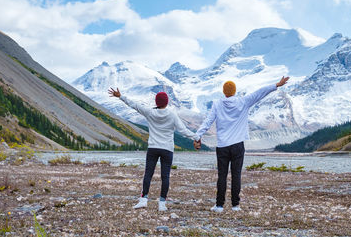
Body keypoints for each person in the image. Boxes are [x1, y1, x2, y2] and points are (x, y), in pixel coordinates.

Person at [194, 76, 289, 212]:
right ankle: (235, 205)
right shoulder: (243, 102)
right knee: (236, 174)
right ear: (234, 91)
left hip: (222, 146)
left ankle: (219, 205)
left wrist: (197, 136)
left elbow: (208, 121)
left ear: (224, 92)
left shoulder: (217, 104)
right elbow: (260, 93)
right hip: (238, 145)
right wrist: (277, 85)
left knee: (222, 175)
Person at [108, 88, 200, 211]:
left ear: (156, 103)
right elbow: (183, 131)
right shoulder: (172, 115)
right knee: (165, 176)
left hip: (153, 148)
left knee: (148, 174)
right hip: (167, 149)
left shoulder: (150, 112)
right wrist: (197, 137)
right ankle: (162, 204)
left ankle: (143, 200)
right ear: (167, 103)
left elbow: (134, 105)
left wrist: (120, 96)